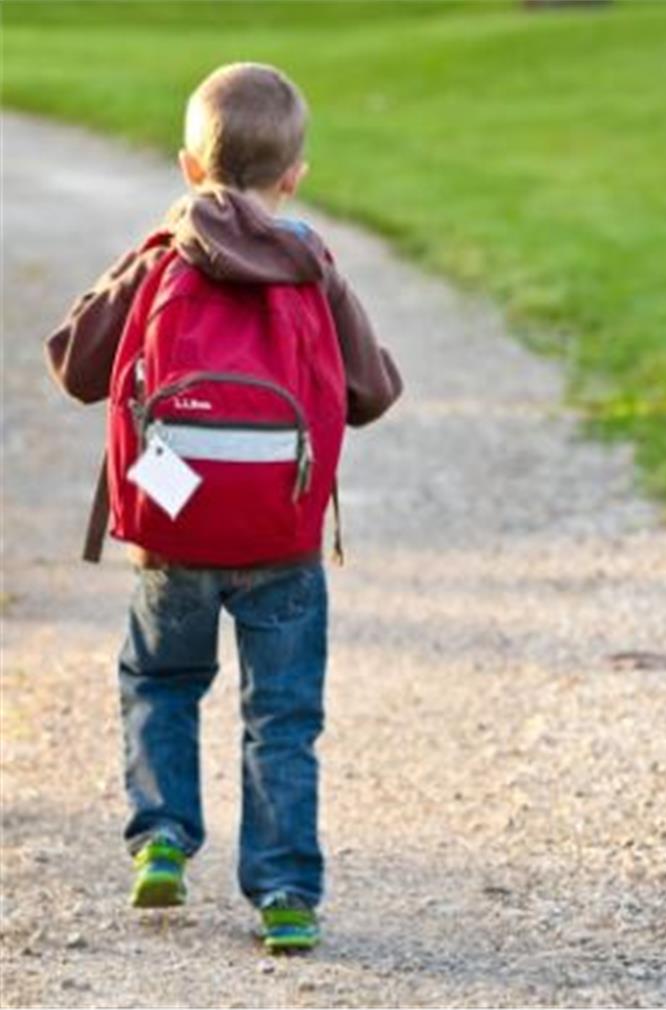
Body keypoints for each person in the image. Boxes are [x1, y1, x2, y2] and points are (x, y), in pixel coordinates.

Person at [44, 62, 403, 952]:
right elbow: (373, 392)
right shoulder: (311, 262)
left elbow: (75, 364)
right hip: (282, 539)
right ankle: (285, 892)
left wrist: (146, 252)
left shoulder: (165, 255)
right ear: (295, 176)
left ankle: (162, 836)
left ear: (187, 168)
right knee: (281, 717)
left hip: (174, 535)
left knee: (161, 682)